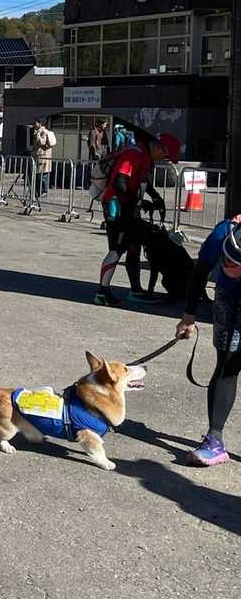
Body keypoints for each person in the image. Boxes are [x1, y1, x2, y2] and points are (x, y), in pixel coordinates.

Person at [177, 216, 241, 467]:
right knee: (226, 366)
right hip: (228, 298)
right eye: (227, 260)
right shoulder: (222, 232)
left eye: (236, 263)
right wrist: (188, 317)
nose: (229, 266)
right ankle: (214, 440)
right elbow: (200, 272)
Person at [94, 131, 180, 307]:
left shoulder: (146, 156)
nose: (164, 159)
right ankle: (102, 293)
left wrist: (155, 197)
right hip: (117, 208)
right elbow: (119, 182)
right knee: (116, 249)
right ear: (159, 147)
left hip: (129, 208)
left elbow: (142, 181)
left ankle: (135, 290)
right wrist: (139, 201)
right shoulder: (134, 154)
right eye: (165, 155)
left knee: (134, 247)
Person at [30, 118, 56, 207]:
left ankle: (43, 191)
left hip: (43, 157)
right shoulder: (38, 131)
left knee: (43, 175)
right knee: (38, 175)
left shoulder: (43, 132)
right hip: (39, 156)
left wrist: (37, 134)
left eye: (35, 123)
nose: (34, 125)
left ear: (40, 123)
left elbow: (42, 142)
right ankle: (38, 191)